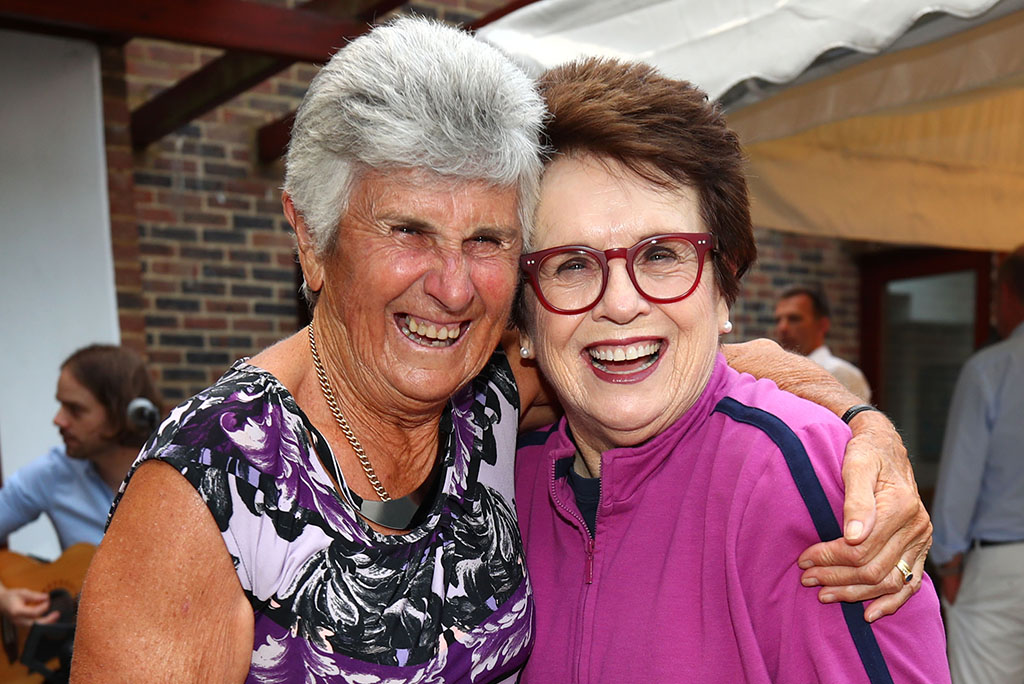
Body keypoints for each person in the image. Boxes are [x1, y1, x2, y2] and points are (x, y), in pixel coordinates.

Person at [73, 18, 928, 684]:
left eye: (486, 239)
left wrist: (862, 430)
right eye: (407, 229)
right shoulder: (207, 494)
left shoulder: (484, 401)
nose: (451, 287)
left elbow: (664, 356)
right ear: (310, 239)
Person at [514, 58, 948, 682]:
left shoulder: (801, 480)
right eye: (572, 264)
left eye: (661, 254)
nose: (619, 303)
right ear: (524, 316)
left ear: (723, 291)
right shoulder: (504, 484)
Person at [0, 344, 161, 627]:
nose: (58, 420)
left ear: (120, 413)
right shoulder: (53, 473)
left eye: (75, 409)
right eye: (61, 405)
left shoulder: (177, 471)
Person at [931, 244, 1024, 684]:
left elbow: (959, 480)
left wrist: (947, 563)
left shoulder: (991, 369)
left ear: (1008, 294)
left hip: (1000, 568)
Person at [775, 285, 872, 402]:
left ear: (822, 324)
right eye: (778, 320)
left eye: (794, 319)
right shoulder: (776, 373)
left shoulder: (839, 373)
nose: (783, 327)